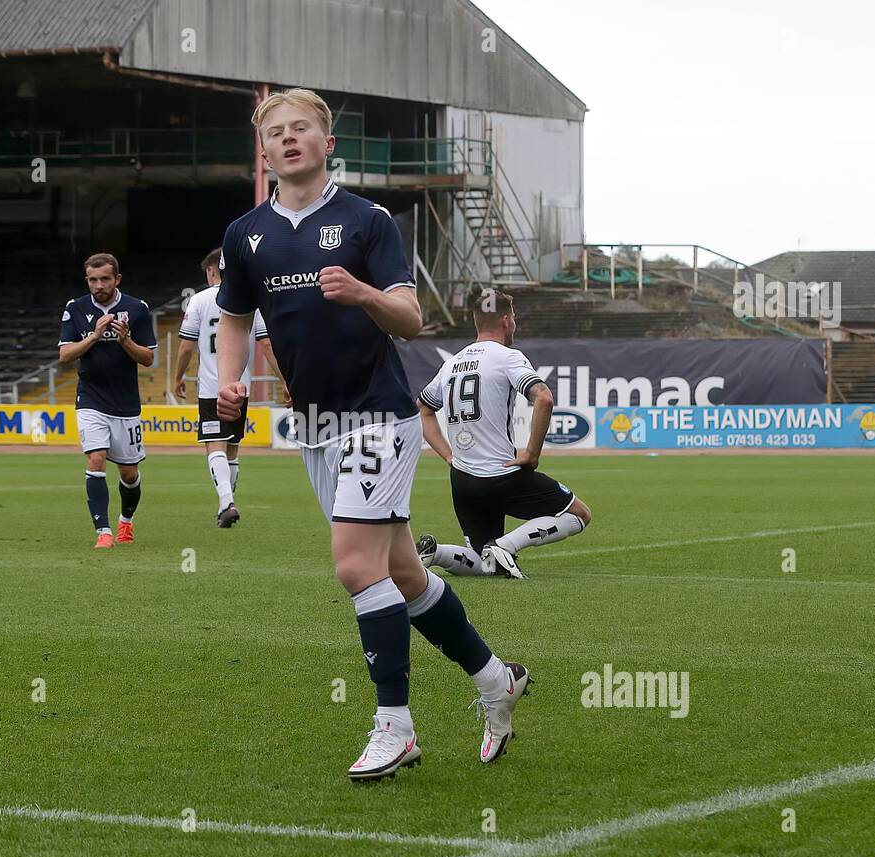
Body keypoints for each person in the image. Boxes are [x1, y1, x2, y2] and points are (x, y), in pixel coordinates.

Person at [215, 89, 531, 780]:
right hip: (318, 426)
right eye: (276, 132)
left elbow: (411, 319)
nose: (289, 138)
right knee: (402, 573)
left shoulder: (368, 220)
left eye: (303, 129)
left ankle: (396, 727)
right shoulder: (245, 235)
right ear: (263, 153)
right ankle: (492, 678)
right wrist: (231, 379)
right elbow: (235, 317)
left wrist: (363, 293)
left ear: (328, 144)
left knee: (356, 566)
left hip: (379, 416)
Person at [416, 289, 593, 580]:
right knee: (579, 514)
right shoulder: (507, 357)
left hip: (462, 478)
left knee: (481, 560)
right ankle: (507, 545)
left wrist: (448, 455)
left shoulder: (451, 363)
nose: (516, 325)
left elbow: (423, 407)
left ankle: (436, 553)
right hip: (500, 474)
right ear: (506, 321)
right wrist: (532, 455)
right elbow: (544, 398)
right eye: (515, 319)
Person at [174, 247, 286, 526]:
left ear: (212, 270)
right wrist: (285, 380)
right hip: (241, 386)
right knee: (233, 447)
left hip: (213, 386)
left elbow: (186, 346)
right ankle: (226, 503)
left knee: (215, 446)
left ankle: (227, 502)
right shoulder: (251, 301)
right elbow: (267, 344)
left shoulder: (199, 301)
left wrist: (178, 377)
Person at [58, 253, 157, 549]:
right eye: (93, 280)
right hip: (90, 397)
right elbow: (64, 355)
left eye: (104, 279)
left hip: (125, 402)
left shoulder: (137, 309)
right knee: (95, 458)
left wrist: (125, 340)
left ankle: (126, 521)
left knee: (129, 473)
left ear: (117, 279)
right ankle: (103, 530)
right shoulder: (75, 309)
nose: (99, 285)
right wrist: (95, 335)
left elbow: (149, 358)